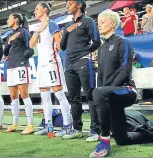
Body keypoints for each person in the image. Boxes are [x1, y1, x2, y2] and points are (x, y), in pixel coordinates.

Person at [89, 9, 153, 157]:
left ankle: (104, 142)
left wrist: (104, 91)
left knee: (98, 92)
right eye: (98, 23)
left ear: (112, 24)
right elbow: (101, 76)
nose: (99, 25)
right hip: (109, 95)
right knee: (122, 140)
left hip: (127, 90)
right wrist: (103, 91)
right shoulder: (102, 48)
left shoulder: (123, 42)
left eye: (102, 22)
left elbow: (125, 71)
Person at [60, 0, 101, 141]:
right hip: (69, 64)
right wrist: (66, 32)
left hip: (84, 61)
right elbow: (62, 46)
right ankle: (77, 129)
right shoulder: (67, 26)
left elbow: (97, 41)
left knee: (90, 96)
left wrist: (84, 53)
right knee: (73, 98)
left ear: (79, 4)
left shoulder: (88, 21)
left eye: (70, 3)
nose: (67, 5)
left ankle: (95, 131)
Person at [29, 2, 72, 137]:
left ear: (45, 10)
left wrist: (53, 54)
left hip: (51, 63)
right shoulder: (38, 27)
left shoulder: (52, 24)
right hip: (41, 65)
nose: (35, 11)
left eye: (37, 8)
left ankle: (67, 125)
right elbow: (31, 45)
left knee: (59, 94)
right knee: (44, 96)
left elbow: (59, 45)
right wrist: (37, 31)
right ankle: (49, 126)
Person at [2, 13, 35, 134]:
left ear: (15, 20)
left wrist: (22, 59)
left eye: (8, 18)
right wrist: (9, 42)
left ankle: (30, 124)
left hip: (21, 66)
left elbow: (30, 49)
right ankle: (14, 123)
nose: (7, 21)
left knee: (24, 94)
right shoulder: (10, 34)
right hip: (10, 67)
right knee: (13, 96)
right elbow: (5, 52)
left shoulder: (24, 32)